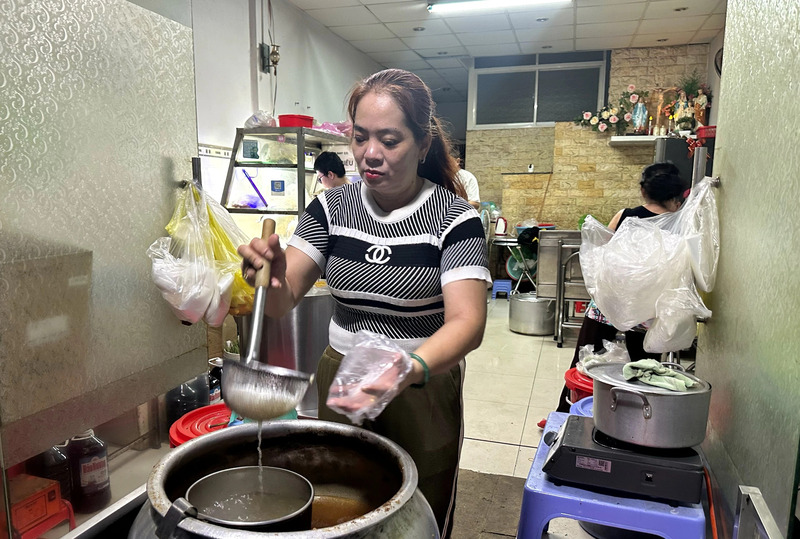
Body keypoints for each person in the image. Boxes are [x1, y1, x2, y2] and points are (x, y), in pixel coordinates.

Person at [238, 68, 491, 538]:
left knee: (420, 509)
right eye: (360, 137)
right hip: (343, 370)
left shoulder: (456, 219)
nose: (370, 153)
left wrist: (406, 368)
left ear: (423, 143)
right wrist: (267, 279)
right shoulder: (330, 208)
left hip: (421, 380)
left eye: (389, 140)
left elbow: (467, 321)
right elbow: (281, 301)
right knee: (343, 502)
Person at [554, 162, 690, 413]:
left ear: (643, 191)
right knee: (644, 370)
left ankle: (566, 414)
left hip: (608, 306)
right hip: (647, 313)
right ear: (675, 194)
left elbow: (603, 258)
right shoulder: (678, 224)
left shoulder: (625, 216)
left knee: (585, 361)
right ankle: (637, 419)